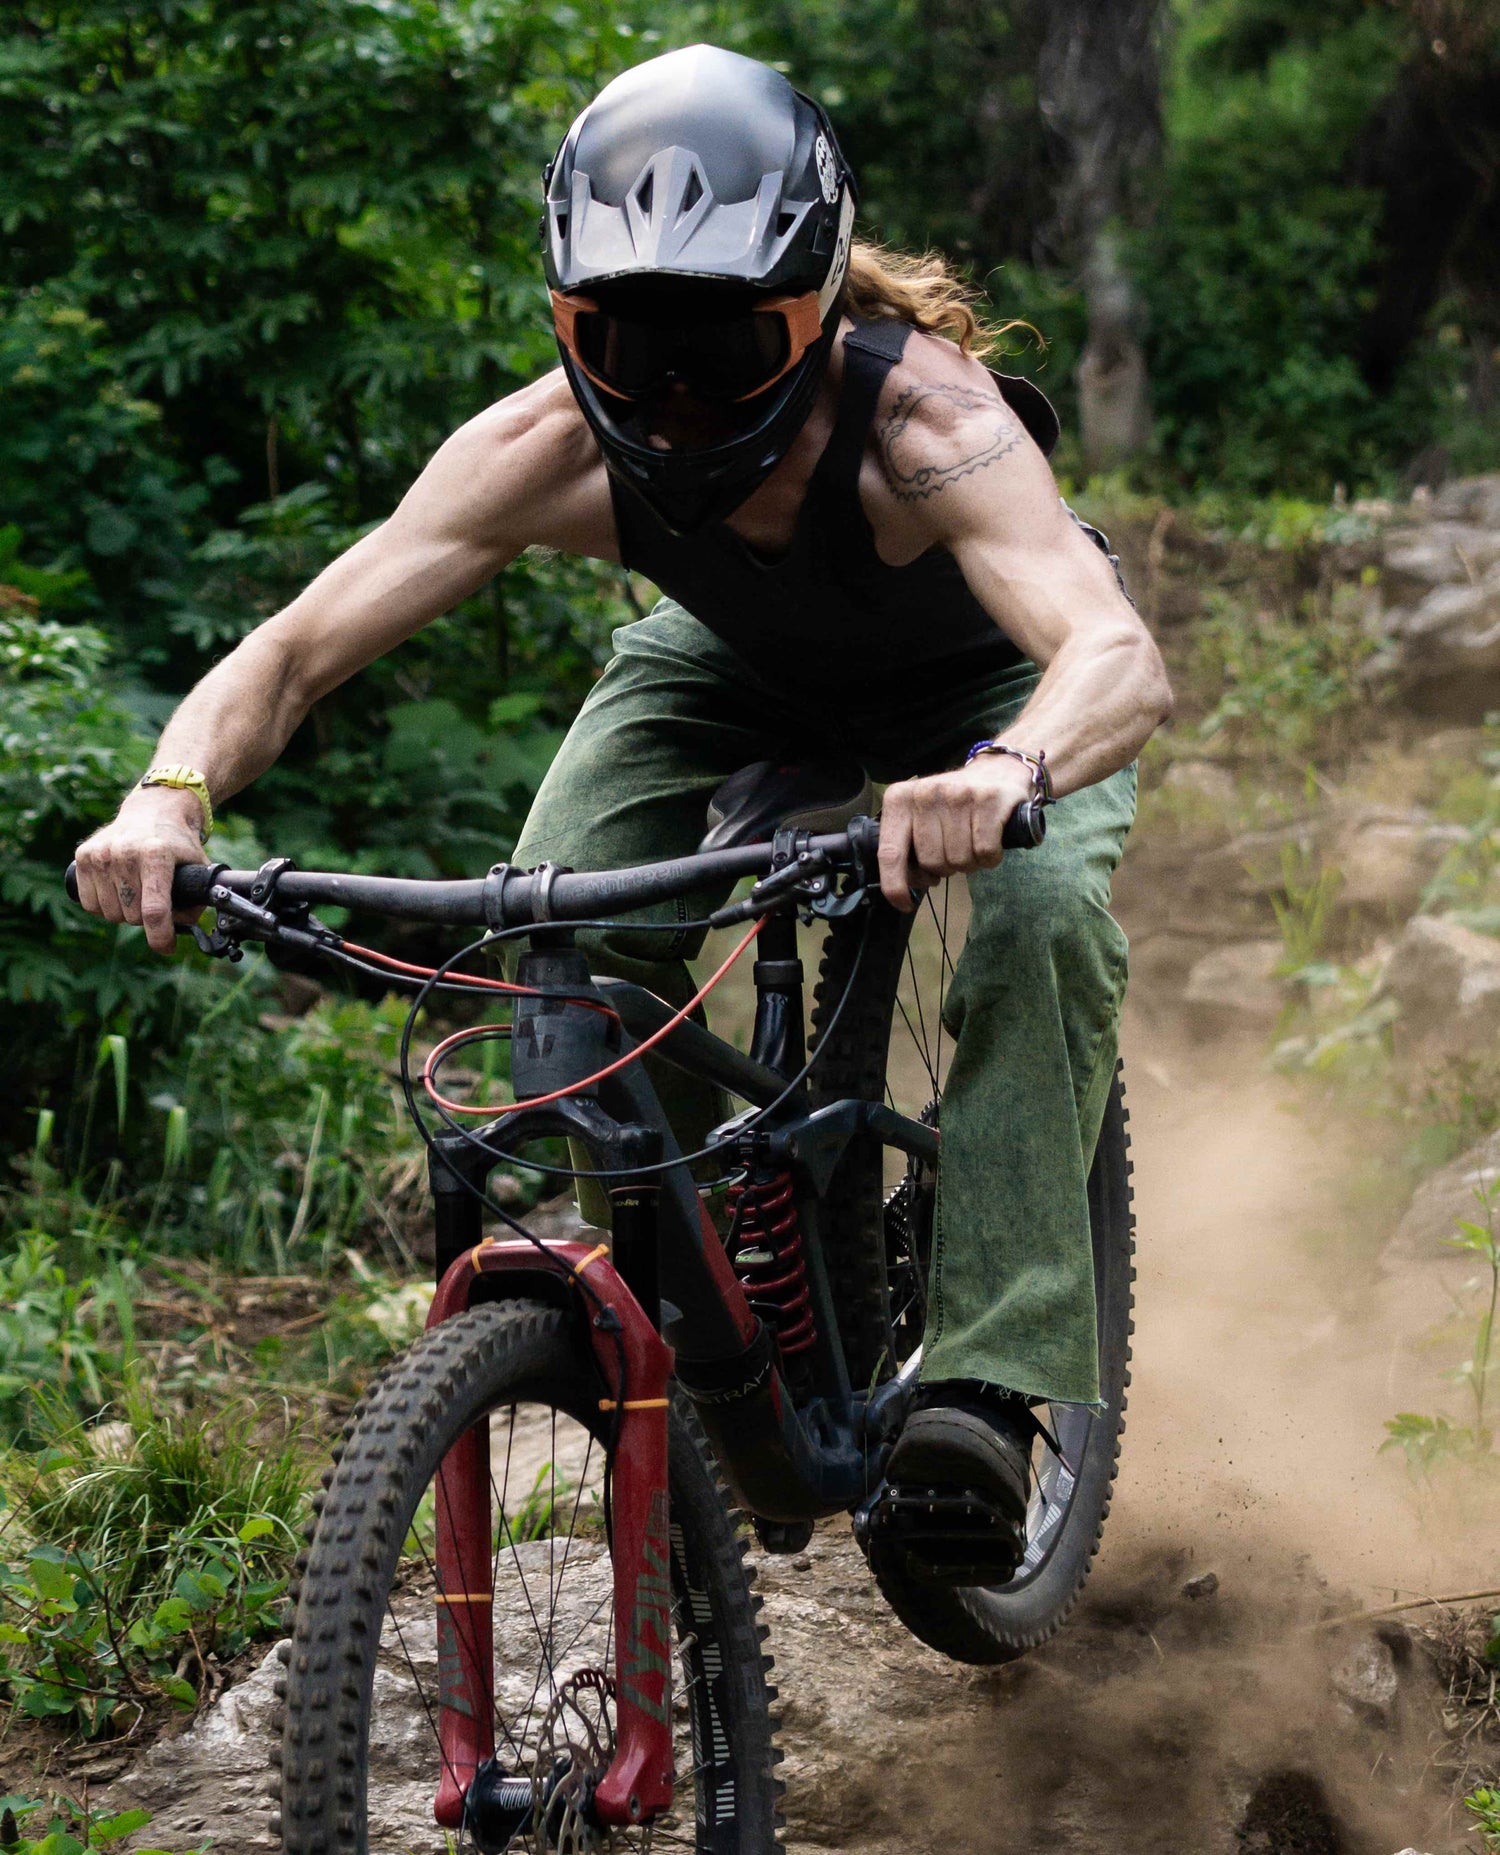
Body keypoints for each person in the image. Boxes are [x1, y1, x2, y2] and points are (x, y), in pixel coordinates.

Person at [73, 44, 1171, 1582]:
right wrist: (166, 791)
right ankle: (706, 1315)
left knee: (1044, 919)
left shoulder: (923, 420)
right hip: (729, 663)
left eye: (724, 349)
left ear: (807, 307)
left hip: (984, 692)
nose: (667, 396)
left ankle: (987, 1382)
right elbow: (297, 647)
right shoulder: (549, 445)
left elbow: (1113, 651)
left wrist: (1010, 771)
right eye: (623, 340)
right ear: (564, 324)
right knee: (561, 917)